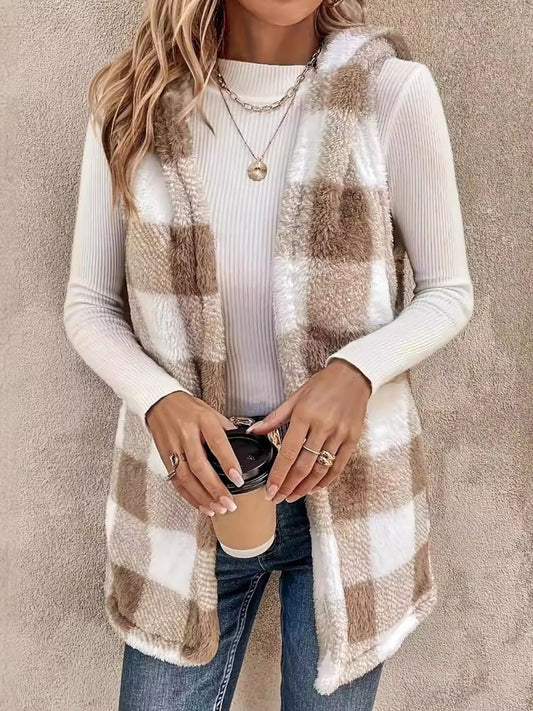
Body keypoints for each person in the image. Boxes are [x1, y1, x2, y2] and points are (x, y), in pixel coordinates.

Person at [63, 0, 474, 708]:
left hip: (350, 491)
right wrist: (159, 400)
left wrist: (355, 373)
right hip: (187, 494)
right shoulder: (134, 103)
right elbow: (89, 303)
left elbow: (448, 292)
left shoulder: (389, 92)